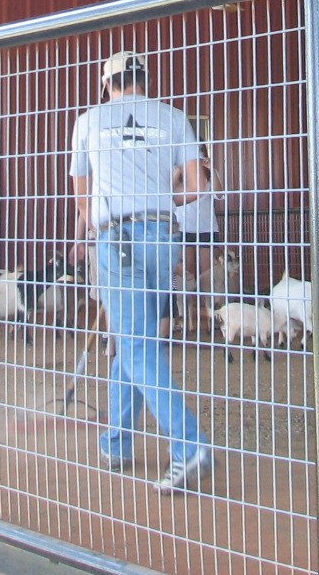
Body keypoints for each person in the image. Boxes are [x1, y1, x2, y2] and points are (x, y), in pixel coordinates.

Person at [71, 49, 213, 494]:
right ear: (144, 80)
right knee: (134, 341)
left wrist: (96, 228)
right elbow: (197, 185)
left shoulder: (89, 120)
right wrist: (163, 201)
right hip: (163, 237)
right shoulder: (174, 117)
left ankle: (189, 445)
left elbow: (82, 195)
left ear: (106, 83)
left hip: (118, 239)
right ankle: (116, 442)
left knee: (132, 346)